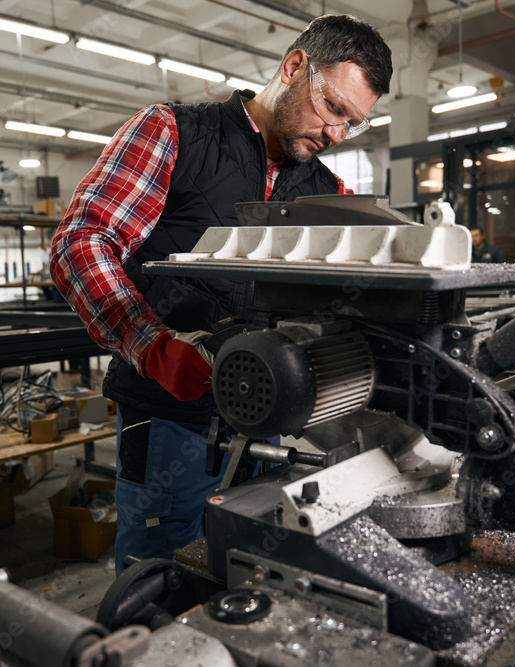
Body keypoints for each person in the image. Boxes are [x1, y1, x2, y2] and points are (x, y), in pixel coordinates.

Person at [50, 14, 393, 574]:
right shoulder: (173, 134)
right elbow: (82, 244)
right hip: (167, 416)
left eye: (352, 124)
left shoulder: (326, 192)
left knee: (247, 563)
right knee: (158, 571)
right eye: (334, 109)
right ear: (295, 66)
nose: (336, 134)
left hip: (271, 416)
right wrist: (152, 345)